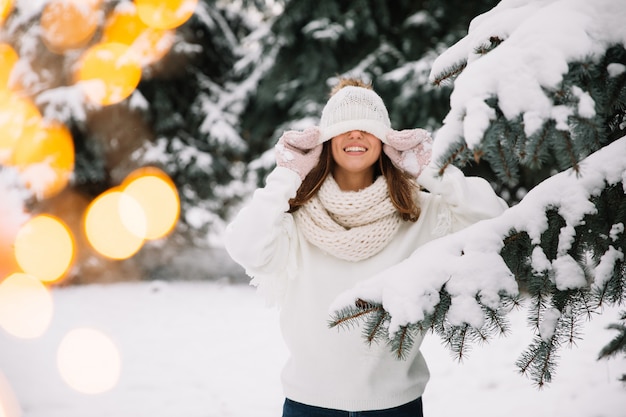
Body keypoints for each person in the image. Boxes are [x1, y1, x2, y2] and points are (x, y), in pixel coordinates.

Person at [224, 78, 507, 416]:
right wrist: (287, 175)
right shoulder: (294, 216)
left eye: (367, 126)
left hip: (395, 406)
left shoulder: (420, 212)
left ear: (385, 141)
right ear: (326, 142)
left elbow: (494, 219)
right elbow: (244, 246)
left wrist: (429, 170)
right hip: (309, 406)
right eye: (344, 126)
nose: (355, 134)